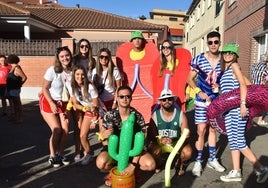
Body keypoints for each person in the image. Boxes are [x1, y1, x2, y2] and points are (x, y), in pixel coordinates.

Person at [219, 43, 268, 183]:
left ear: (235, 55)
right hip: (228, 111)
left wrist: (242, 104)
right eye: (225, 52)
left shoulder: (235, 66)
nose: (227, 55)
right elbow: (249, 84)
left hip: (237, 110)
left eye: (231, 53)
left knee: (239, 140)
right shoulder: (226, 70)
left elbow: (242, 84)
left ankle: (260, 168)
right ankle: (236, 171)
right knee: (233, 141)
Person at [95, 85, 156, 187]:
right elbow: (104, 141)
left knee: (150, 165)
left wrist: (133, 165)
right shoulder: (109, 115)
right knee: (101, 163)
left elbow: (140, 142)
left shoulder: (137, 116)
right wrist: (103, 136)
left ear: (131, 98)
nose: (125, 99)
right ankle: (113, 171)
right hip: (115, 150)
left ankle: (134, 172)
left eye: (127, 96)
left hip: (133, 149)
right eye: (121, 96)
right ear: (117, 98)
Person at [186, 31, 225, 177]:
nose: (213, 45)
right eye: (210, 42)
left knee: (213, 130)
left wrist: (220, 89)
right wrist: (198, 91)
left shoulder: (224, 59)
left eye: (216, 42)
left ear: (219, 42)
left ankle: (212, 159)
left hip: (216, 101)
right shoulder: (199, 59)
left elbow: (228, 78)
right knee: (201, 130)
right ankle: (198, 160)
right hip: (202, 101)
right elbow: (189, 78)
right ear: (207, 44)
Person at [39, 46, 72, 167]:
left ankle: (60, 153)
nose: (65, 58)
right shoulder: (52, 70)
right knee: (57, 130)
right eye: (62, 56)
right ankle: (52, 155)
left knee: (66, 130)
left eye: (67, 55)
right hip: (49, 101)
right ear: (58, 58)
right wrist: (52, 103)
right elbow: (44, 88)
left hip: (64, 103)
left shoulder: (72, 71)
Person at [147, 88, 192, 176]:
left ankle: (179, 163)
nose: (167, 101)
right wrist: (160, 139)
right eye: (164, 99)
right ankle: (160, 162)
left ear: (173, 100)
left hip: (176, 142)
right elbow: (151, 136)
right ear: (160, 102)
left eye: (169, 99)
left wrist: (184, 136)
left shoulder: (181, 115)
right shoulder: (155, 115)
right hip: (161, 143)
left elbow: (186, 134)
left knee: (188, 152)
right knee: (153, 149)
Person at [68, 64, 100, 165]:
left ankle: (108, 157)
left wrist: (94, 120)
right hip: (88, 111)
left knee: (104, 136)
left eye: (82, 74)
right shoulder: (72, 86)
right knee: (82, 136)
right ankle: (89, 154)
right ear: (74, 75)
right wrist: (84, 108)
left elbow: (96, 105)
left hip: (99, 111)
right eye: (77, 74)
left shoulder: (90, 86)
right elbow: (75, 104)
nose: (80, 77)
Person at [71, 39, 96, 161]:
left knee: (84, 128)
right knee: (78, 126)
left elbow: (95, 76)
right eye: (82, 46)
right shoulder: (75, 60)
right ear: (78, 47)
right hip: (79, 95)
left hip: (88, 94)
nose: (84, 48)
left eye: (86, 46)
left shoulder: (92, 61)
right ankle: (78, 150)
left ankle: (87, 151)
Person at [151, 40, 192, 111]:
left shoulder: (179, 63)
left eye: (167, 47)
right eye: (163, 47)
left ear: (172, 48)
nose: (165, 49)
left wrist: (187, 92)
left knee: (179, 117)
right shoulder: (161, 65)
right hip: (165, 98)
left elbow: (187, 77)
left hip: (177, 97)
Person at [6, 54, 27, 123]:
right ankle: (16, 117)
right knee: (15, 104)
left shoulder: (16, 68)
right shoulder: (12, 67)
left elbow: (24, 77)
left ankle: (20, 119)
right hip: (11, 88)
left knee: (17, 104)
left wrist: (19, 85)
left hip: (15, 89)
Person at [250, 53, 268, 125]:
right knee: (264, 104)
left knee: (253, 103)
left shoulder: (253, 66)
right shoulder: (265, 68)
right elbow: (266, 78)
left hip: (253, 87)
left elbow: (251, 75)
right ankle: (260, 120)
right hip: (260, 88)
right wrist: (264, 82)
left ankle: (250, 118)